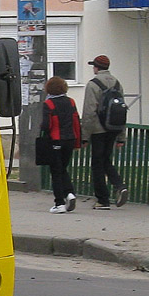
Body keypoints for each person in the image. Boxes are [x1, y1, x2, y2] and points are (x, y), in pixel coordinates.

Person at [81, 54, 128, 210]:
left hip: (97, 129)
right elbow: (121, 111)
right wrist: (121, 136)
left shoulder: (93, 84)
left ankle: (103, 200)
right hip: (113, 129)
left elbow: (89, 112)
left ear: (96, 67)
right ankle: (119, 185)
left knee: (97, 164)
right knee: (105, 160)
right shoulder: (117, 84)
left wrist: (84, 136)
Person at [41, 76, 80, 214]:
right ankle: (69, 193)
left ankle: (59, 203)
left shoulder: (49, 104)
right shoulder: (71, 102)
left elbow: (47, 125)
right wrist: (77, 141)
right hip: (70, 139)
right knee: (63, 168)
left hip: (56, 140)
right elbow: (76, 122)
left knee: (56, 172)